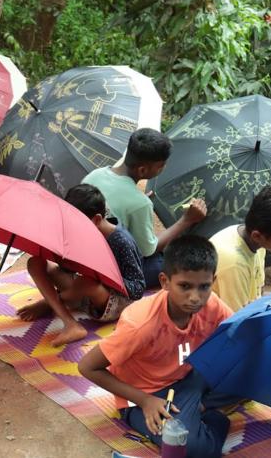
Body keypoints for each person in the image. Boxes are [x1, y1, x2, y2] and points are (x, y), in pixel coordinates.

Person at [78, 235, 235, 458]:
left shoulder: (212, 304)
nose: (195, 297)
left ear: (213, 281)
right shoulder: (140, 324)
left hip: (189, 375)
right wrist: (145, 401)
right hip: (148, 393)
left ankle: (196, 407)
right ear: (165, 282)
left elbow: (236, 334)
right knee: (187, 448)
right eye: (185, 286)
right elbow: (87, 367)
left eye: (204, 287)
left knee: (254, 374)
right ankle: (211, 417)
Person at [17, 184, 145, 346]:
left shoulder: (122, 241)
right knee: (35, 262)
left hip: (115, 301)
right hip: (81, 291)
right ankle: (70, 323)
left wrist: (104, 276)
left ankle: (50, 303)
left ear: (97, 219)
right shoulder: (84, 232)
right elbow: (70, 269)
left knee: (87, 283)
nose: (72, 228)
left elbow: (138, 289)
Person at [82, 128, 207, 288]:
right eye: (161, 166)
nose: (164, 168)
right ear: (142, 170)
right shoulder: (140, 203)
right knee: (168, 263)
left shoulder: (94, 175)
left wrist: (137, 202)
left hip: (85, 252)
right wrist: (186, 220)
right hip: (107, 266)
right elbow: (149, 250)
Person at [210, 184, 271, 311]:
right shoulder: (234, 264)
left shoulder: (255, 241)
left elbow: (257, 294)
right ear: (257, 236)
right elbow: (234, 322)